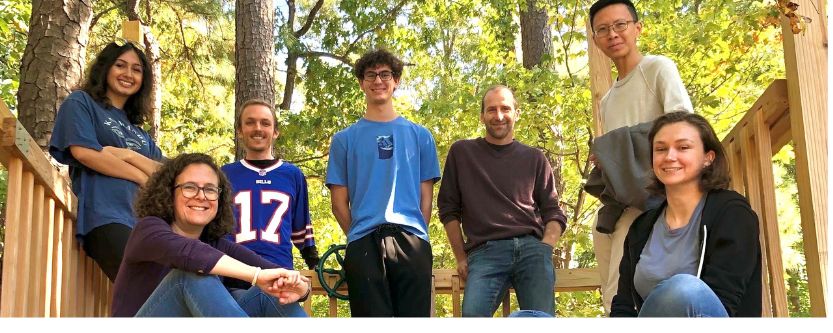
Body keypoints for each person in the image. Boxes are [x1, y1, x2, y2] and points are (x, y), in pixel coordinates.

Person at [587, 0, 694, 314]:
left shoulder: (658, 68)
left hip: (653, 198)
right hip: (619, 202)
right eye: (603, 29)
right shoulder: (607, 100)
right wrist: (606, 156)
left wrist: (617, 147)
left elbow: (684, 124)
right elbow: (620, 152)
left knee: (628, 286)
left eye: (620, 25)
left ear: (637, 28)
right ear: (596, 39)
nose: (613, 35)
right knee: (610, 288)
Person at [110, 153, 311, 317]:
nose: (201, 196)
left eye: (210, 189)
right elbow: (190, 254)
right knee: (190, 275)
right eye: (189, 187)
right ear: (169, 192)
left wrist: (302, 288)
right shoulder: (148, 230)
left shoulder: (216, 244)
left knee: (269, 293)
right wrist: (257, 275)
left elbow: (272, 270)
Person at [610, 112, 761, 317]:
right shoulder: (641, 228)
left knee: (685, 289)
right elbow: (623, 308)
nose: (670, 156)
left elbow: (725, 302)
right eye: (661, 149)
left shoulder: (732, 212)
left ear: (708, 157)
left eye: (683, 147)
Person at [325, 49, 441, 317]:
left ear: (396, 80)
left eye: (385, 74)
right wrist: (358, 234)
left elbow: (426, 198)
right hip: (363, 242)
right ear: (361, 83)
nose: (378, 80)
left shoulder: (420, 136)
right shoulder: (344, 140)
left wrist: (416, 233)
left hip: (412, 240)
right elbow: (339, 203)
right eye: (371, 75)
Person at [437, 85, 566, 317]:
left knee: (540, 322)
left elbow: (553, 211)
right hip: (485, 252)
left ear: (516, 113)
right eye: (491, 109)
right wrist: (460, 257)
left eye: (505, 109)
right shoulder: (462, 153)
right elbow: (448, 208)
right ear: (482, 116)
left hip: (532, 249)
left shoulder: (534, 158)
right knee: (472, 319)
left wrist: (545, 248)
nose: (498, 116)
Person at [49, 41, 164, 281]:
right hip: (106, 216)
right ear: (105, 69)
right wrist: (140, 175)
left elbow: (163, 174)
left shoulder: (140, 134)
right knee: (146, 287)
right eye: (120, 65)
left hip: (146, 223)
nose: (128, 74)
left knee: (161, 291)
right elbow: (85, 152)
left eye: (136, 69)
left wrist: (128, 155)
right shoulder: (81, 103)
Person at [221, 99, 319, 282]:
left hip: (279, 276)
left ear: (275, 132)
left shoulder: (293, 175)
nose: (258, 128)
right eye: (250, 122)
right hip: (233, 275)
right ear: (240, 131)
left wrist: (315, 263)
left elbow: (301, 228)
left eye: (265, 123)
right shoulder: (224, 174)